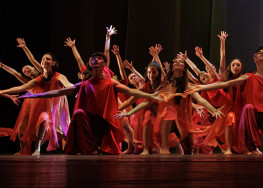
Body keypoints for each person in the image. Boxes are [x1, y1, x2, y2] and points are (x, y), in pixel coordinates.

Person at [21, 52, 162, 155]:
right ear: (90, 63)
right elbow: (59, 92)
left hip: (105, 120)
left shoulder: (110, 82)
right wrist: (37, 95)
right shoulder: (85, 83)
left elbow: (132, 93)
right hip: (89, 121)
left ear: (104, 64)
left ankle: (112, 146)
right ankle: (91, 149)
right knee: (78, 113)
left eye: (99, 59)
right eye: (94, 59)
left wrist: (150, 95)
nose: (96, 60)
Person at [0, 48, 73, 155]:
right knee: (24, 128)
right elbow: (19, 85)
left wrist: (24, 47)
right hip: (33, 104)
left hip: (51, 103)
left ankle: (65, 143)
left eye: (28, 68)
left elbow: (33, 60)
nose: (27, 71)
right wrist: (1, 91)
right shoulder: (36, 80)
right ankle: (26, 149)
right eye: (25, 71)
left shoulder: (48, 74)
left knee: (56, 126)